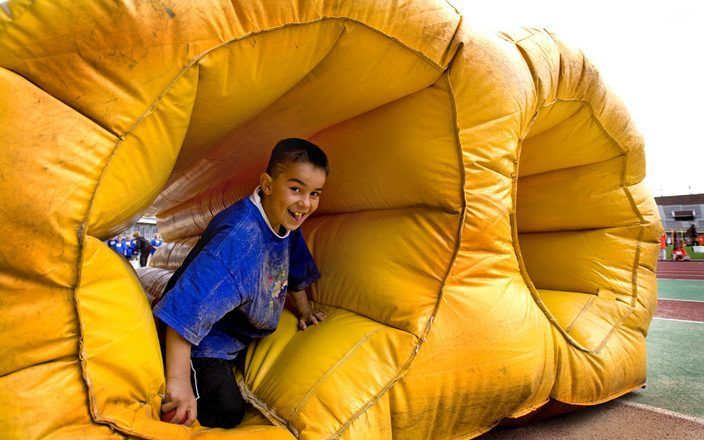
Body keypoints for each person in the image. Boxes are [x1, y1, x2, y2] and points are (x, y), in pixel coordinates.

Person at [153, 138, 328, 428]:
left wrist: (305, 310)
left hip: (238, 332)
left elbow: (295, 269)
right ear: (268, 184)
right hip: (202, 345)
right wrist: (178, 383)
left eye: (315, 193)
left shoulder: (286, 221)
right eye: (295, 189)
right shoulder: (239, 240)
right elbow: (182, 312)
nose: (305, 203)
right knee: (228, 411)